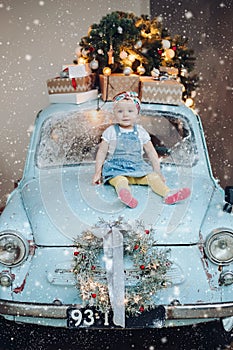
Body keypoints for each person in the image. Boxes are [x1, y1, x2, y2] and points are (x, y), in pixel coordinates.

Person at [92, 91, 190, 208]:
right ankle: (126, 196)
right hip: (116, 169)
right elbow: (102, 152)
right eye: (120, 111)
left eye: (130, 111)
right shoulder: (111, 131)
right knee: (120, 181)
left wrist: (157, 171)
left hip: (138, 167)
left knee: (153, 178)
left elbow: (151, 152)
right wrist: (97, 172)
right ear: (114, 113)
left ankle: (168, 194)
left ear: (137, 114)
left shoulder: (141, 132)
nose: (125, 115)